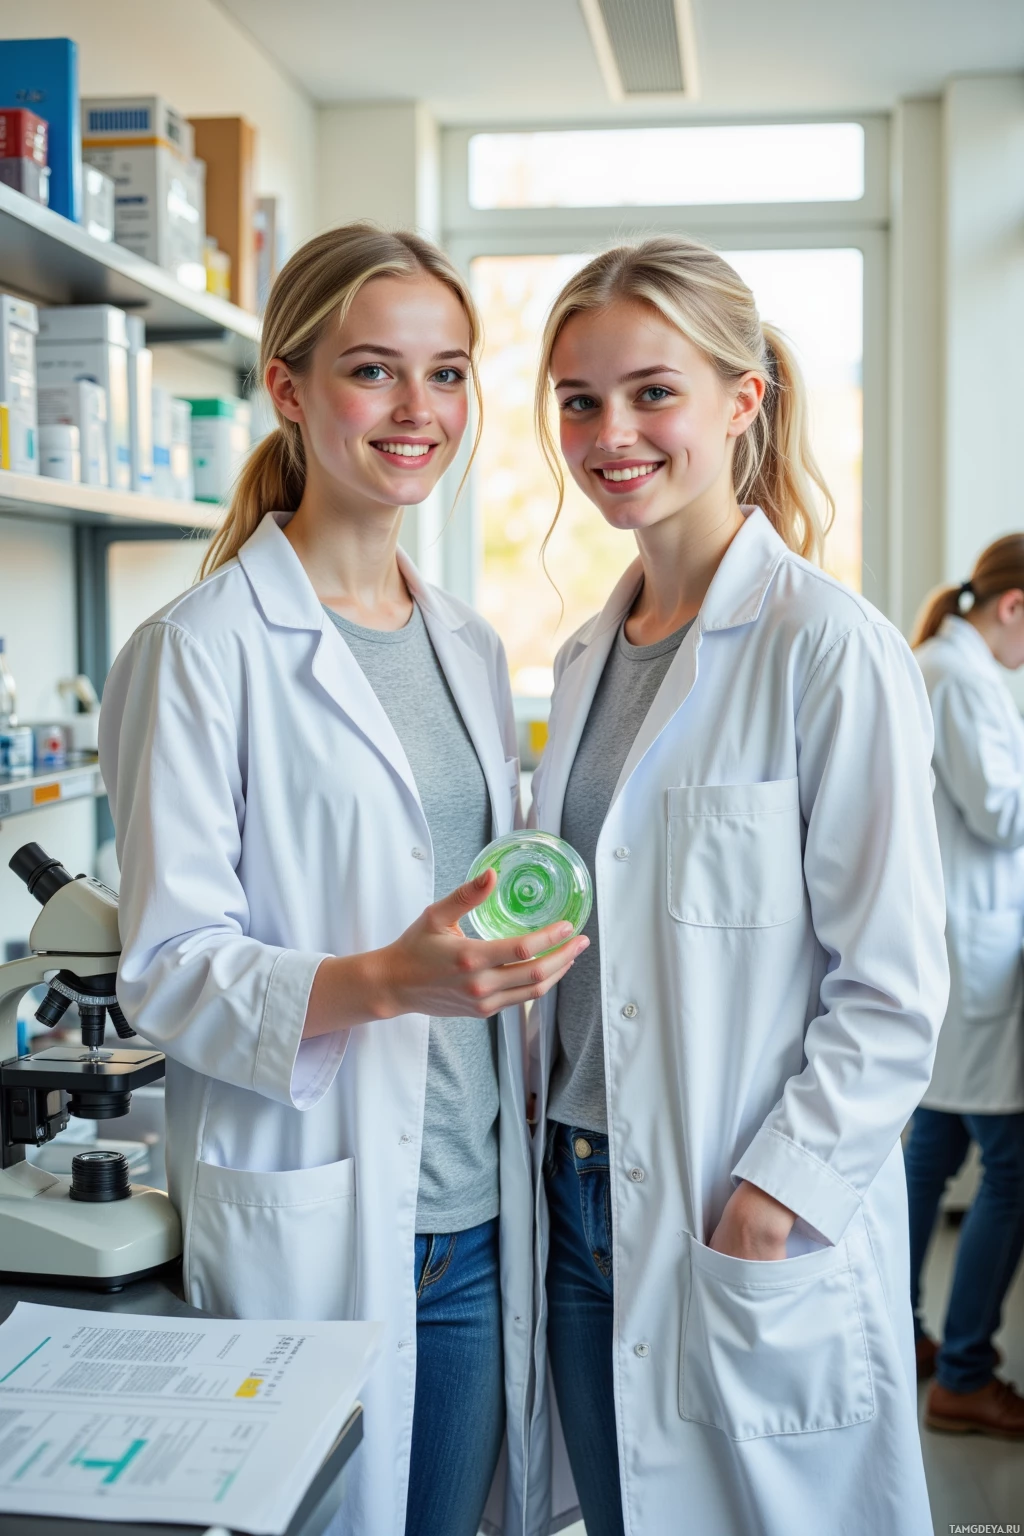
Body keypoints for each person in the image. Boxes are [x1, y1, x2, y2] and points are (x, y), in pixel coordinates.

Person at [98, 223, 587, 1536]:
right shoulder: (199, 652)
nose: (419, 410)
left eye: (449, 372)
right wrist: (383, 981)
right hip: (316, 1210)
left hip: (481, 1222)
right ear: (290, 386)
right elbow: (167, 969)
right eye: (375, 371)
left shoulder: (471, 648)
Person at [525, 236, 949, 1536]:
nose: (612, 434)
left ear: (741, 398)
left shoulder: (829, 646)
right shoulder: (588, 652)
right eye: (581, 400)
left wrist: (772, 1200)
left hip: (729, 1197)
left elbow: (892, 991)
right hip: (576, 1193)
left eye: (653, 392)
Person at [906, 538, 1024, 1438]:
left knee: (934, 1146)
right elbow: (1001, 811)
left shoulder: (950, 666)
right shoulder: (957, 676)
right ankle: (965, 1371)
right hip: (970, 950)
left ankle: (907, 1335)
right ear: (1014, 608)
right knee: (1012, 1167)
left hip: (964, 944)